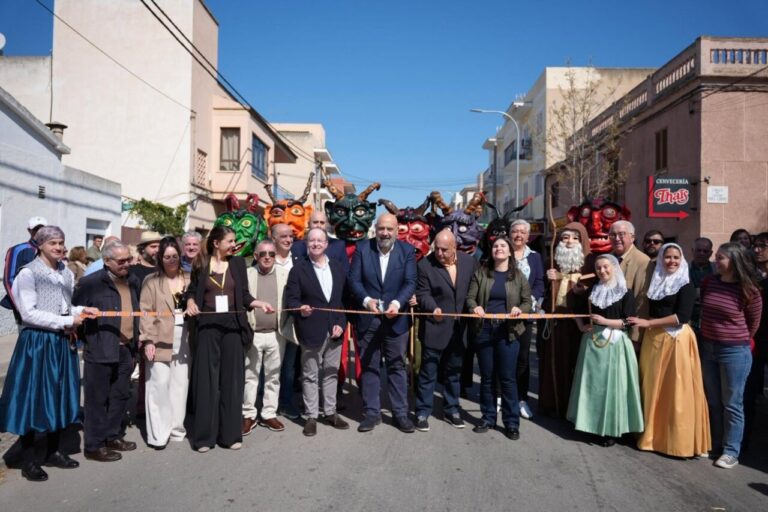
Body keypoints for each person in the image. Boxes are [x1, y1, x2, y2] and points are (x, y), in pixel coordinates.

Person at [0, 226, 96, 481]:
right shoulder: (27, 273)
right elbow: (28, 313)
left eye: (61, 242)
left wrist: (82, 310)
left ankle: (53, 451)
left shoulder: (65, 272)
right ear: (40, 245)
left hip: (61, 343)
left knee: (59, 394)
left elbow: (65, 306)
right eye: (53, 243)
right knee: (34, 398)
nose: (58, 247)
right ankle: (29, 460)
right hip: (38, 343)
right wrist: (67, 321)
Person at [185, 226, 272, 452]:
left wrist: (259, 303)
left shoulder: (238, 263)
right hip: (208, 329)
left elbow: (244, 295)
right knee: (207, 383)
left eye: (234, 241)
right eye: (230, 241)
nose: (234, 245)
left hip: (233, 328)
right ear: (216, 243)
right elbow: (191, 292)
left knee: (232, 383)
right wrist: (191, 302)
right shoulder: (201, 264)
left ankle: (230, 435)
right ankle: (204, 438)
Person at [629, 243, 711, 457]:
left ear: (681, 259)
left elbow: (682, 317)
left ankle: (677, 441)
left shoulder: (685, 284)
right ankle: (652, 436)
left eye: (676, 257)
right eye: (667, 257)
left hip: (676, 340)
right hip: (654, 340)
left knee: (675, 391)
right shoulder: (656, 281)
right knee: (652, 387)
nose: (671, 261)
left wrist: (648, 323)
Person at [73, 241, 142, 462]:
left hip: (126, 348)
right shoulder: (90, 283)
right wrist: (90, 341)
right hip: (100, 349)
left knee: (119, 396)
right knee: (97, 400)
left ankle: (113, 436)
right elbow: (76, 313)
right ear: (107, 261)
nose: (126, 264)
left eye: (128, 259)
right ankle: (94, 445)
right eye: (121, 261)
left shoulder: (132, 281)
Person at [349, 213, 417, 433]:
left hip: (396, 319)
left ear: (397, 230)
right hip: (368, 319)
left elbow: (410, 282)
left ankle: (400, 414)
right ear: (375, 229)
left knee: (397, 366)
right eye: (381, 229)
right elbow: (354, 280)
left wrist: (397, 303)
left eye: (389, 229)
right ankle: (372, 413)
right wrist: (366, 301)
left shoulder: (407, 251)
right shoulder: (362, 248)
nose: (385, 233)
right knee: (370, 366)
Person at [567, 254, 644, 447]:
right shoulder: (593, 290)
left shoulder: (625, 292)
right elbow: (576, 308)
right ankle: (590, 424)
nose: (602, 270)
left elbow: (629, 321)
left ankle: (611, 429)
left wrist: (606, 321)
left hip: (615, 344)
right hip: (593, 343)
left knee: (613, 388)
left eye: (605, 267)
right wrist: (581, 325)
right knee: (593, 386)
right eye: (598, 268)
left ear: (614, 267)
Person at [699, 242, 762, 469]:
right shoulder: (710, 282)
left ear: (735, 261)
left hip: (734, 351)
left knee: (732, 403)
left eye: (721, 257)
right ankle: (716, 444)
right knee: (713, 400)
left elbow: (753, 323)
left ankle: (731, 451)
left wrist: (735, 339)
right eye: (717, 256)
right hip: (709, 348)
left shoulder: (749, 290)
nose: (716, 260)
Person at [466, 237, 532, 440]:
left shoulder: (518, 276)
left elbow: (527, 302)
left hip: (508, 331)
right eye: (495, 246)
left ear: (510, 251)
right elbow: (470, 298)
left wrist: (519, 309)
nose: (499, 248)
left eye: (503, 245)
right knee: (487, 377)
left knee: (507, 378)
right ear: (492, 251)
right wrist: (475, 307)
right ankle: (488, 418)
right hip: (484, 330)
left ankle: (511, 423)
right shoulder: (481, 273)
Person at [285, 228, 348, 436]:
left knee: (331, 373)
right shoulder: (298, 270)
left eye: (320, 240)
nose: (316, 244)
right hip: (310, 329)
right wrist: (300, 308)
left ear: (326, 244)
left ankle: (330, 412)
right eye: (312, 240)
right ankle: (311, 415)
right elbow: (291, 300)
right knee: (310, 375)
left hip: (335, 330)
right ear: (306, 244)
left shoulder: (337, 267)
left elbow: (342, 301)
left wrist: (341, 323)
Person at [413, 230, 476, 431]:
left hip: (460, 329)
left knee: (453, 373)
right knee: (428, 373)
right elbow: (423, 293)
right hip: (435, 326)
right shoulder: (425, 265)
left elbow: (474, 289)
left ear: (454, 247)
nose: (439, 253)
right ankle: (422, 411)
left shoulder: (469, 262)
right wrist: (433, 308)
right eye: (437, 249)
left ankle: (452, 409)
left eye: (444, 249)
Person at [139, 236, 191, 449]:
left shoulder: (189, 278)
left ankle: (177, 428)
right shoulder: (151, 281)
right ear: (160, 258)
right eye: (167, 257)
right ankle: (159, 434)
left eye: (175, 256)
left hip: (185, 337)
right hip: (159, 337)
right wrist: (147, 340)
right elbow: (145, 312)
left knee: (180, 386)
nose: (171, 260)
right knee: (158, 385)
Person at [242, 239, 295, 436]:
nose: (267, 257)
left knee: (274, 376)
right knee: (250, 376)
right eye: (262, 254)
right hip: (253, 333)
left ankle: (269, 413)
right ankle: (248, 414)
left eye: (271, 254)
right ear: (255, 256)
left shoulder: (285, 274)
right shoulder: (247, 274)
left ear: (275, 256)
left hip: (276, 334)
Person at [540, 222, 593, 418]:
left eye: (575, 238)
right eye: (565, 238)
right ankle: (553, 403)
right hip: (556, 322)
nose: (569, 242)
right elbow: (542, 292)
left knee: (577, 364)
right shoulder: (552, 261)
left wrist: (583, 290)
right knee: (555, 362)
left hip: (579, 324)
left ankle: (577, 410)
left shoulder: (591, 261)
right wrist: (549, 281)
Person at [509, 219, 545, 420]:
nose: (519, 235)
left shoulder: (535, 257)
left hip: (525, 313)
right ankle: (500, 397)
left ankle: (521, 399)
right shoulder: (502, 252)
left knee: (523, 358)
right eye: (515, 231)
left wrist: (528, 302)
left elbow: (539, 283)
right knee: (503, 355)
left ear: (528, 236)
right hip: (504, 313)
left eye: (523, 232)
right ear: (510, 234)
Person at [608, 220, 652, 350]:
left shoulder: (643, 261)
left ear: (632, 237)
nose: (617, 238)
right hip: (607, 330)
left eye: (621, 234)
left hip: (627, 332)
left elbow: (641, 302)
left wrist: (635, 337)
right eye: (613, 235)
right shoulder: (607, 259)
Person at [743, 232, 768, 451]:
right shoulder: (750, 276)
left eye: (763, 246)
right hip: (754, 340)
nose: (757, 250)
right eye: (755, 245)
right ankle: (743, 441)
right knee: (748, 392)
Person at [1, 216, 47, 323]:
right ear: (29, 230)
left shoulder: (50, 250)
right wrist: (21, 307)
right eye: (36, 229)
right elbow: (9, 280)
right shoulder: (17, 250)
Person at [689, 237, 716, 334]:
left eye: (705, 251)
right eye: (698, 250)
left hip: (711, 318)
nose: (701, 253)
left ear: (711, 253)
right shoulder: (683, 270)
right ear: (692, 251)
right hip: (690, 317)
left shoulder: (717, 270)